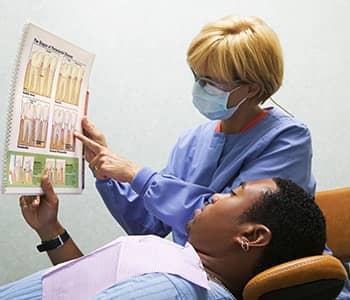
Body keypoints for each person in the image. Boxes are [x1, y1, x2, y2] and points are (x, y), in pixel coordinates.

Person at [76, 15, 316, 248]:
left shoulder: (288, 139)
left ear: (251, 89)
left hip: (264, 281)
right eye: (196, 76)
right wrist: (104, 168)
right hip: (199, 273)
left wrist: (135, 173)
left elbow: (231, 226)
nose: (198, 88)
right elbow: (148, 225)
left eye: (210, 82)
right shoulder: (192, 141)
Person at [0, 176, 326, 299]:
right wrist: (50, 230)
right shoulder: (184, 272)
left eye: (233, 194)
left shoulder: (177, 289)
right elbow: (81, 288)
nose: (214, 197)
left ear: (252, 236)